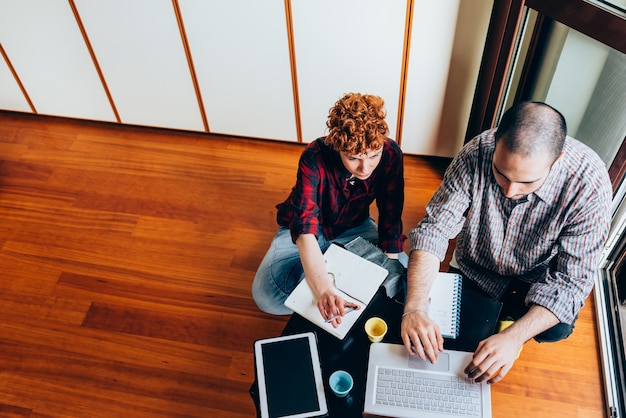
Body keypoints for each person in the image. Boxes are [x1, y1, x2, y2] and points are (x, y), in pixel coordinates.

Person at [401, 101, 612, 384]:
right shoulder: (476, 153)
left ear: (557, 161)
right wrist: (413, 307)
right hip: (478, 265)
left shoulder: (589, 186)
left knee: (556, 329)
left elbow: (571, 283)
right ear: (495, 143)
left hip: (536, 277)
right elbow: (434, 231)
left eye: (526, 182)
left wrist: (514, 338)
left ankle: (512, 323)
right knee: (459, 332)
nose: (510, 190)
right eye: (501, 174)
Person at [252, 92, 405, 327]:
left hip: (355, 226)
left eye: (374, 156)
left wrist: (386, 269)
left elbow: (391, 216)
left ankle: (325, 270)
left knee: (400, 272)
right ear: (338, 146)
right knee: (266, 296)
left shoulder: (392, 153)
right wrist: (324, 290)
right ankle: (326, 271)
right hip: (305, 230)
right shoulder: (314, 155)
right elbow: (304, 228)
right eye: (354, 158)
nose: (366, 168)